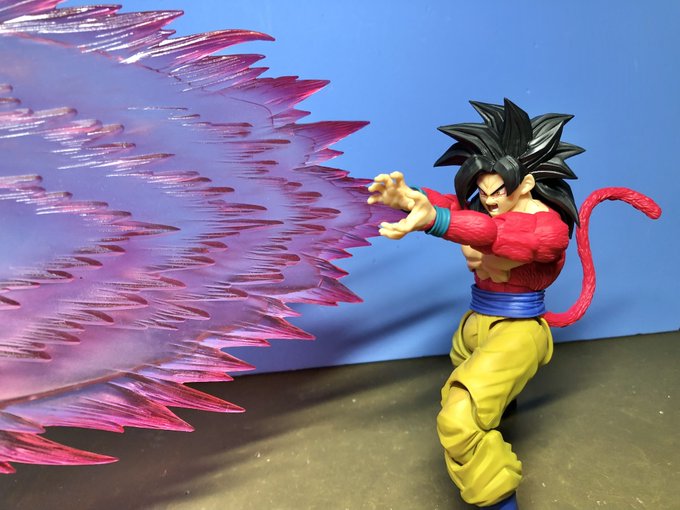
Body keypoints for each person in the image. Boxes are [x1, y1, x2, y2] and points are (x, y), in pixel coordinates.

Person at [367, 98, 583, 509]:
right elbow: (454, 206)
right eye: (483, 192)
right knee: (466, 371)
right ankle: (501, 408)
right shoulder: (485, 206)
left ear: (527, 183)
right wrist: (409, 197)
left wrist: (437, 222)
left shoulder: (548, 227)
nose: (489, 200)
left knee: (458, 420)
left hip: (517, 333)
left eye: (498, 191)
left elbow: (495, 234)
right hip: (475, 324)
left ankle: (498, 498)